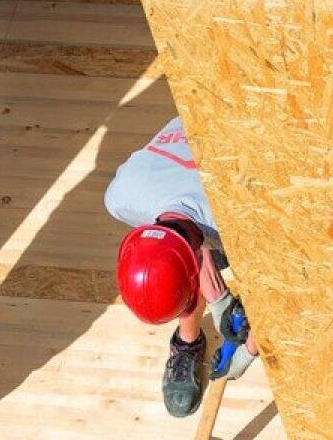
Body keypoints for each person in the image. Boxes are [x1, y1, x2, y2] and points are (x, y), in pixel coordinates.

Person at [103, 116, 257, 418]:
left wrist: (250, 349)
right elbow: (180, 239)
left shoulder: (244, 221)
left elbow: (286, 295)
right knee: (173, 272)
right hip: (208, 128)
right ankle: (188, 343)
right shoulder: (122, 195)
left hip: (254, 131)